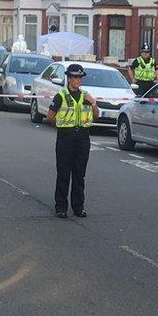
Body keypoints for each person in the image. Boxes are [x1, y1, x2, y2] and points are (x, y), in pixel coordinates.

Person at [46, 64, 99, 219]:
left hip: (83, 137)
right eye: (75, 77)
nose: (78, 80)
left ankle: (78, 207)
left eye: (80, 77)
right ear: (69, 79)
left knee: (79, 174)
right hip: (65, 138)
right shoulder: (61, 96)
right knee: (63, 173)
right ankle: (61, 207)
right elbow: (50, 116)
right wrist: (62, 127)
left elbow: (96, 115)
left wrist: (94, 103)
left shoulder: (86, 96)